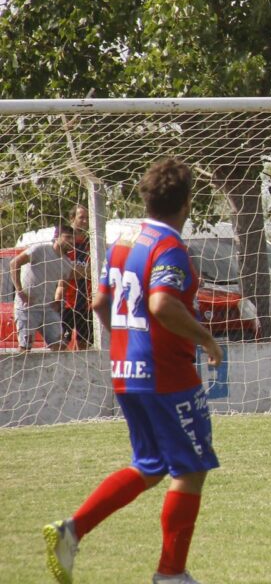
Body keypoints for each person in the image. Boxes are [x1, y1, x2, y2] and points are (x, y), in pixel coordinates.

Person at [43, 157, 224, 584]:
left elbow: (100, 303)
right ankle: (171, 574)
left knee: (151, 464)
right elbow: (162, 304)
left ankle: (72, 531)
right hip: (166, 373)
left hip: (127, 371)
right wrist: (206, 339)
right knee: (190, 469)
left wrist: (127, 343)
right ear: (187, 203)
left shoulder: (123, 242)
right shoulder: (170, 246)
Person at [10, 223, 79, 352]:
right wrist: (20, 291)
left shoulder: (66, 263)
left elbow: (62, 284)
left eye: (73, 239)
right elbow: (14, 263)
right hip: (27, 306)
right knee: (25, 349)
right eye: (68, 237)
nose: (71, 241)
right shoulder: (40, 249)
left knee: (59, 346)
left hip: (48, 308)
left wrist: (58, 300)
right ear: (57, 236)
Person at [63, 205, 93, 349]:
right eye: (81, 217)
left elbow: (97, 271)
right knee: (61, 344)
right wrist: (87, 272)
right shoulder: (65, 242)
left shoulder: (91, 244)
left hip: (87, 303)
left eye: (87, 218)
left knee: (83, 345)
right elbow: (64, 272)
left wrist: (78, 272)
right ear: (72, 218)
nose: (85, 221)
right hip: (66, 302)